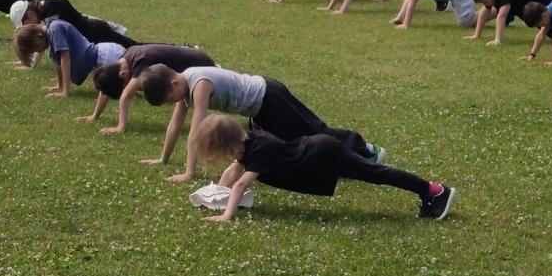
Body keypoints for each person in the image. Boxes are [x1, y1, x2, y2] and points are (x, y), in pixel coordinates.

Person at [138, 64, 384, 183]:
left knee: (313, 131)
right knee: (294, 143)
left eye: (170, 99)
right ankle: (338, 164)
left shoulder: (199, 84)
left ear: (174, 85)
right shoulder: (184, 86)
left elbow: (196, 130)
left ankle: (366, 150)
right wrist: (163, 159)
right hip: (260, 108)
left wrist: (189, 172)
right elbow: (174, 125)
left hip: (269, 97)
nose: (174, 103)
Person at [189, 115, 454, 223]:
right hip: (317, 153)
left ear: (228, 144)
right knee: (374, 175)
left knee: (376, 174)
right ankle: (429, 191)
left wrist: (226, 215)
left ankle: (433, 191)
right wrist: (216, 193)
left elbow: (241, 184)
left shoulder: (261, 149)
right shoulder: (248, 142)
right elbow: (232, 174)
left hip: (323, 155)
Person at [79, 42, 216, 132]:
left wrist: (121, 126)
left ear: (123, 74)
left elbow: (126, 95)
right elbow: (107, 87)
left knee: (196, 101)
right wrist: (94, 115)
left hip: (202, 66)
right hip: (197, 60)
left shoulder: (141, 61)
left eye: (124, 84)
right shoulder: (127, 56)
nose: (126, 86)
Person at [15, 19, 128, 98]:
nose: (38, 51)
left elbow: (65, 59)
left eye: (36, 48)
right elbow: (58, 62)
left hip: (107, 56)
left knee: (131, 82)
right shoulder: (51, 34)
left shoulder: (55, 29)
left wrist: (65, 91)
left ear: (37, 36)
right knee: (123, 86)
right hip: (100, 59)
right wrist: (59, 86)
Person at [17, 0, 134, 49]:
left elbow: (48, 35)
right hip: (91, 36)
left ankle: (151, 53)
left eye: (25, 23)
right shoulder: (45, 10)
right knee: (129, 48)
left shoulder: (52, 5)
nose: (29, 26)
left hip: (96, 33)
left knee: (132, 47)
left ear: (28, 15)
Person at [465, 0, 552, 45]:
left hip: (547, 3)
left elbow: (501, 16)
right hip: (529, 10)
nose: (487, 5)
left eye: (486, 2)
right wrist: (476, 35)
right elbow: (484, 11)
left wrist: (497, 40)